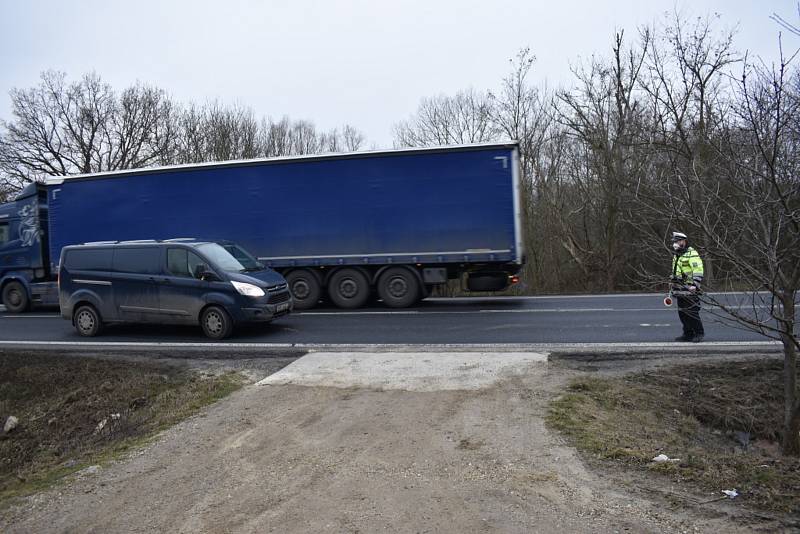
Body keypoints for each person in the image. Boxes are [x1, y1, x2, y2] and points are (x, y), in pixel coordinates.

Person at [671, 231, 705, 342]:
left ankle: (699, 333)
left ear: (684, 241)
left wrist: (695, 284)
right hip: (679, 289)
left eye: (677, 241)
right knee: (683, 314)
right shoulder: (677, 255)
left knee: (692, 312)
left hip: (690, 289)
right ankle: (688, 334)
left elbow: (698, 270)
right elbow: (676, 271)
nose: (675, 244)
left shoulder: (692, 254)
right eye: (674, 242)